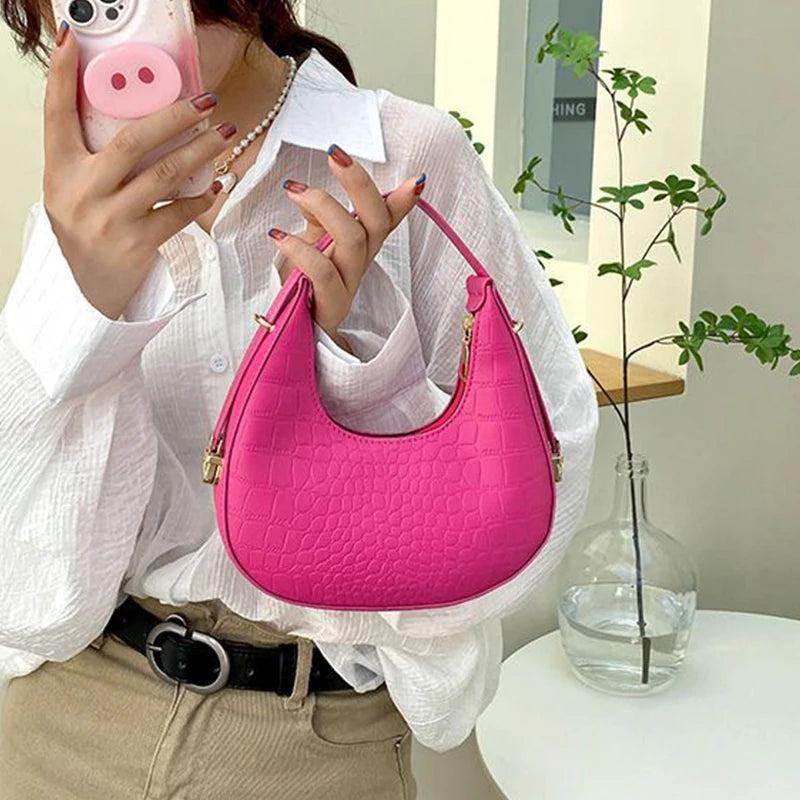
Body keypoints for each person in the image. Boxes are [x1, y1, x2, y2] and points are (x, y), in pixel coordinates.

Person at [0, 1, 598, 798]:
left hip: (313, 738)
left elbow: (540, 475)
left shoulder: (400, 153)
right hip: (68, 714)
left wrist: (355, 372)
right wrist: (88, 314)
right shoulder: (85, 199)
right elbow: (25, 569)